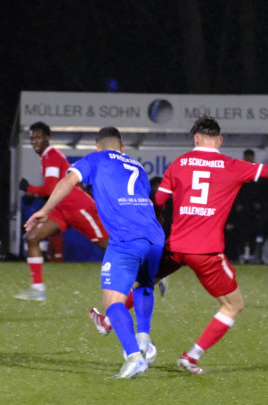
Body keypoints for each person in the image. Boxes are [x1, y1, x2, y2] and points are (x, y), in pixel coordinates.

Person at [154, 116, 268, 375]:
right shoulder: (232, 166)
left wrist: (160, 220)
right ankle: (191, 356)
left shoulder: (179, 163)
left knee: (145, 281)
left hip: (176, 246)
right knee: (233, 305)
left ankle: (110, 318)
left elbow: (158, 200)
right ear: (220, 141)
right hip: (206, 251)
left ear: (196, 139)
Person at [25, 126, 165, 379]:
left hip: (126, 238)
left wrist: (44, 210)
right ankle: (144, 341)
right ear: (123, 148)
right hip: (155, 236)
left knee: (111, 303)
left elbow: (68, 181)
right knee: (144, 285)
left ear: (98, 147)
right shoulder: (138, 167)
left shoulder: (96, 159)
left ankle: (134, 357)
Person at [16, 121, 110, 300]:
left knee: (108, 246)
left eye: (39, 137)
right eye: (32, 138)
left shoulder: (52, 155)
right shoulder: (46, 157)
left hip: (79, 207)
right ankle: (37, 289)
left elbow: (50, 188)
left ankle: (148, 272)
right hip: (61, 210)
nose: (35, 141)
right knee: (32, 237)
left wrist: (29, 188)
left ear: (48, 138)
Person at [226, 149, 264, 264]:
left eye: (250, 157)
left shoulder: (257, 174)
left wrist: (258, 203)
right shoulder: (239, 173)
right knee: (240, 233)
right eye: (246, 157)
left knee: (252, 232)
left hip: (252, 210)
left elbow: (261, 191)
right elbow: (234, 190)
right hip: (241, 210)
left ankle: (251, 255)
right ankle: (240, 254)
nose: (248, 159)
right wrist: (237, 204)